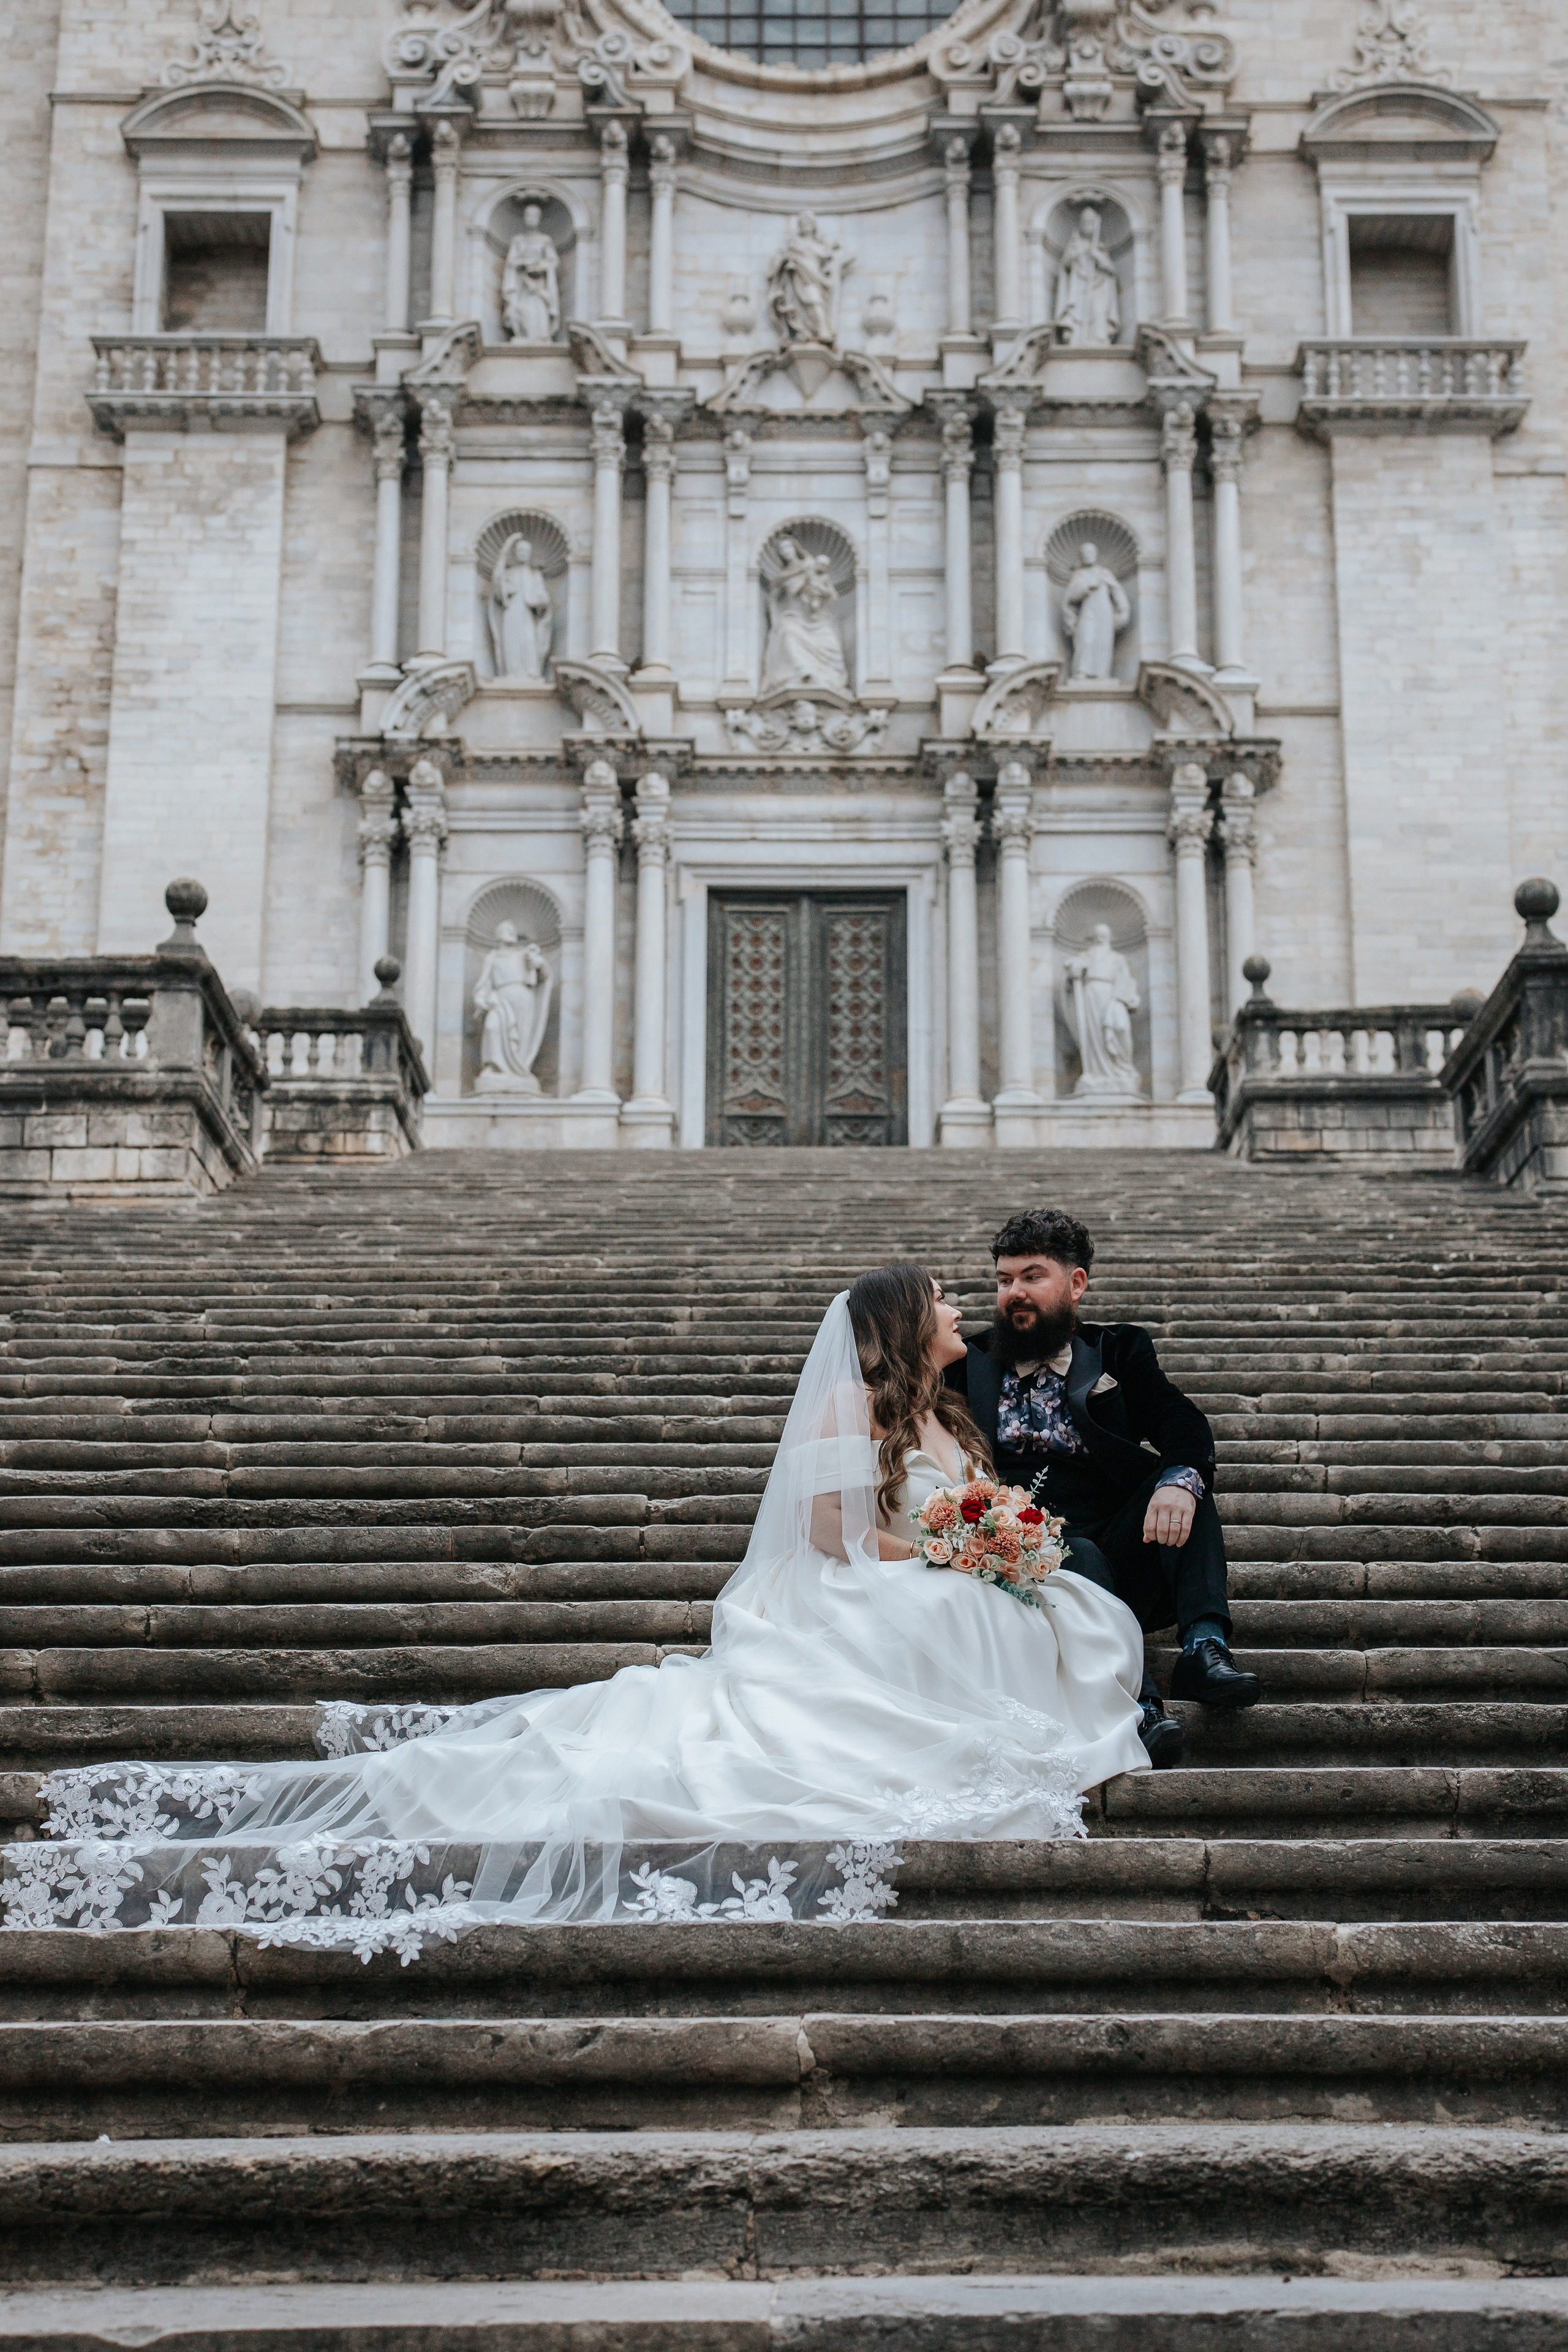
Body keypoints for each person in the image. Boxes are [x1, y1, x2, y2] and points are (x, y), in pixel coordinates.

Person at [0, 1266, 1147, 1961]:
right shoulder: (862, 1409)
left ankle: (1035, 1705)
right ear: (904, 1329)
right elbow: (841, 1538)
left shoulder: (946, 1409)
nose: (963, 1307)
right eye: (944, 1301)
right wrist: (959, 1548)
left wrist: (982, 1545)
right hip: (866, 1584)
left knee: (1025, 1610)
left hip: (915, 1569)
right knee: (963, 1618)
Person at [948, 1208, 1261, 1770]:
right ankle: (1139, 1704)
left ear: (1077, 1283)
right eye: (1004, 1280)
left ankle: (1203, 1648)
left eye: (1032, 1276)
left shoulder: (1120, 1350)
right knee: (1078, 1550)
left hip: (1120, 1544)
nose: (1013, 1293)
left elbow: (1180, 1423)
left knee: (1183, 1482)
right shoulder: (964, 1362)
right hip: (1020, 1552)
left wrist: (1179, 1482)